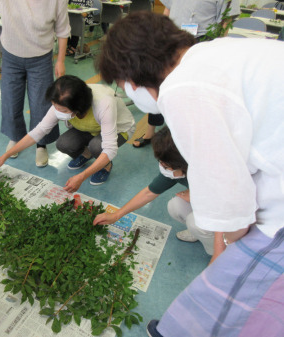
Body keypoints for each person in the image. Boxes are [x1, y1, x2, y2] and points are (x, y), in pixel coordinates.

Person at [97, 11, 284, 337]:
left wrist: (223, 257)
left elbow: (233, 210)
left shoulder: (183, 89)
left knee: (232, 293)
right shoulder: (214, 52)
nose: (127, 91)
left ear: (134, 73)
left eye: (123, 83)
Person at [0, 75, 135, 191]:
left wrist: (82, 176)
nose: (57, 112)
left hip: (119, 129)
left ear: (79, 107)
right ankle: (86, 154)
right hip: (89, 128)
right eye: (54, 107)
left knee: (98, 146)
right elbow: (39, 131)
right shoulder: (62, 100)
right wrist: (3, 157)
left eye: (62, 111)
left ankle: (106, 166)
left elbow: (110, 148)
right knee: (64, 144)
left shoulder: (103, 103)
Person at [133, 0, 241, 149]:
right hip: (173, 38)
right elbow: (168, 9)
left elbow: (225, 22)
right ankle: (150, 132)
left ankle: (183, 137)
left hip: (202, 41)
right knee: (160, 84)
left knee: (190, 92)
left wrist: (215, 50)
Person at [94, 126, 214, 255]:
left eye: (166, 165)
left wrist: (199, 196)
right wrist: (116, 215)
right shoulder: (173, 168)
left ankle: (216, 250)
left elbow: (232, 203)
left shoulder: (211, 169)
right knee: (175, 206)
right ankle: (199, 233)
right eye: (160, 162)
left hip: (224, 208)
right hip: (204, 197)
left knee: (195, 223)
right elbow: (149, 192)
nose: (162, 166)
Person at [0, 0, 70, 168]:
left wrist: (60, 60)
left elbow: (63, 29)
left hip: (41, 56)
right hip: (11, 52)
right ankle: (15, 138)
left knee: (41, 103)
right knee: (10, 99)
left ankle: (41, 144)